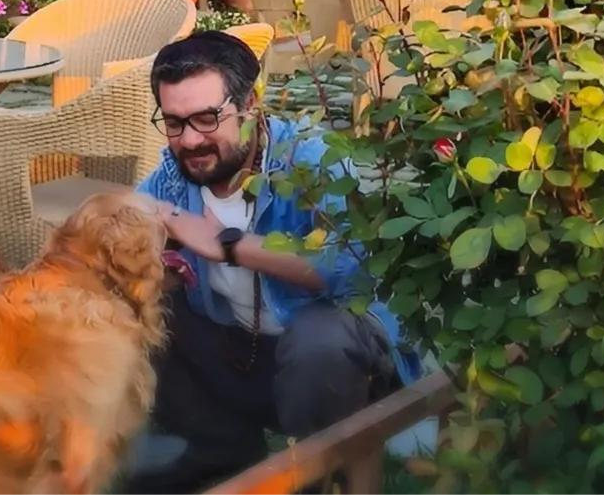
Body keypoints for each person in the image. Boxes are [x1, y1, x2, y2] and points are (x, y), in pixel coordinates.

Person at [125, 31, 420, 495]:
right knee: (133, 310)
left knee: (320, 338)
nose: (190, 140)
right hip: (241, 354)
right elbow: (118, 238)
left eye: (207, 118)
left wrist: (227, 244)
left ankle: (323, 474)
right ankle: (218, 455)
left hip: (331, 365)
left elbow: (348, 265)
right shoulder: (170, 179)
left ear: (250, 104)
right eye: (174, 122)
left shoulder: (311, 158)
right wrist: (150, 267)